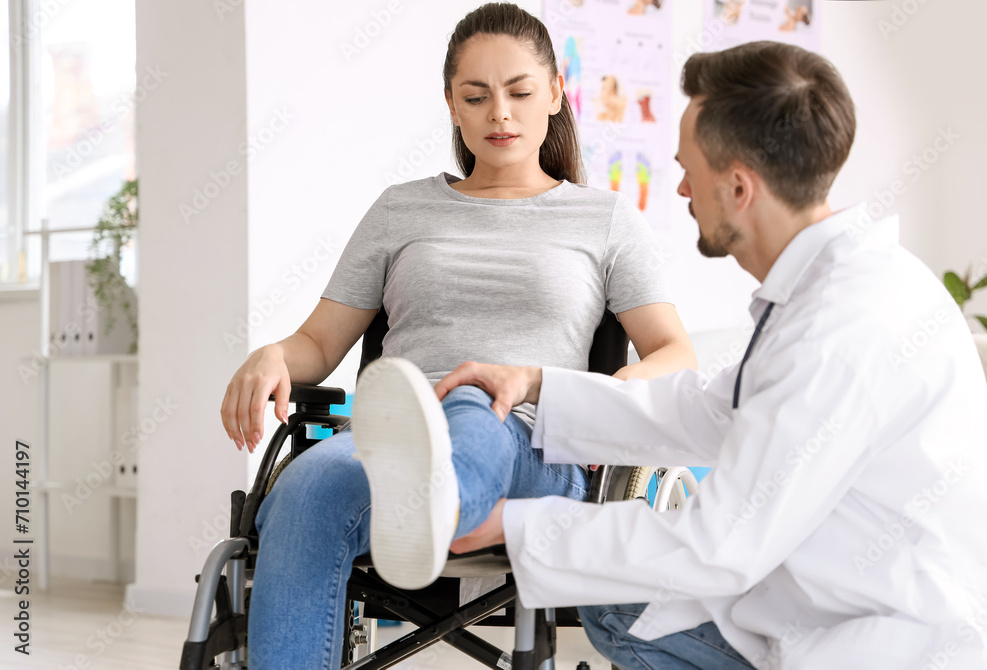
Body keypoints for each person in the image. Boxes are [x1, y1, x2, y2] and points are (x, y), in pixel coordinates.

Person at [418, 41, 987, 668]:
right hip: (834, 598)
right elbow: (710, 412)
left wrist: (512, 522)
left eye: (690, 168)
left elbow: (720, 544)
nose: (682, 187)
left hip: (886, 640)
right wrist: (534, 383)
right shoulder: (836, 284)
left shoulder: (839, 326)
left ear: (741, 186)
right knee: (623, 611)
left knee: (624, 608)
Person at [218, 3, 697, 667]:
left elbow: (675, 352)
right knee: (306, 490)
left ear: (556, 94)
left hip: (532, 439)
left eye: (520, 92)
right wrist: (272, 355)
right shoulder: (399, 210)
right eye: (476, 96)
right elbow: (319, 344)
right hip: (392, 445)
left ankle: (435, 508)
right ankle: (425, 497)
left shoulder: (605, 219)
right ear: (452, 104)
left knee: (473, 403)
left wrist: (610, 404)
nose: (499, 113)